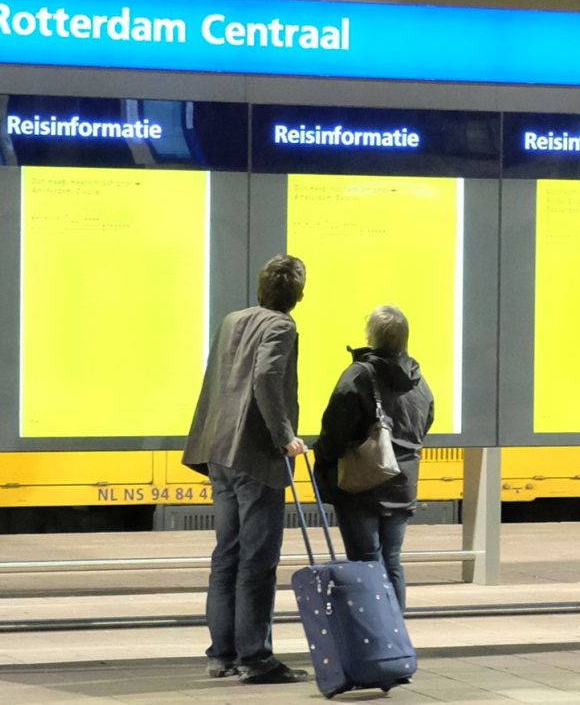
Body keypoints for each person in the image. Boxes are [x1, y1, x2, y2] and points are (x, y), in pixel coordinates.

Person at [181, 254, 310, 685]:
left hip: (218, 450)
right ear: (299, 294)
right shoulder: (282, 326)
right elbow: (267, 377)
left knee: (227, 555)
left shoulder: (231, 320)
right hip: (253, 454)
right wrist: (285, 436)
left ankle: (222, 654)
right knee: (257, 560)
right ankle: (255, 658)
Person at [312, 305, 435, 606]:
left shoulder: (359, 375)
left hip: (362, 487)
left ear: (371, 336)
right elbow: (426, 421)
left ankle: (373, 628)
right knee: (391, 560)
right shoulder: (418, 380)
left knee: (366, 562)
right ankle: (394, 629)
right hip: (402, 484)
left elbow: (334, 430)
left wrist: (323, 458)